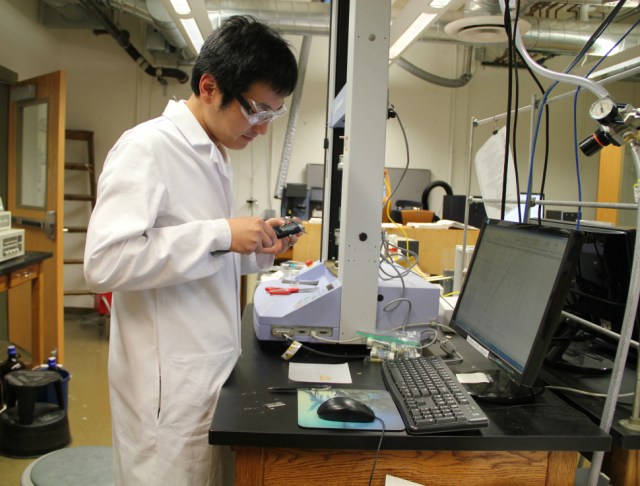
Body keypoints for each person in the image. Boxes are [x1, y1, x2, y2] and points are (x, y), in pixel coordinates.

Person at [84, 15, 299, 485]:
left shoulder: (213, 151)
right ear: (209, 86)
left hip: (208, 369)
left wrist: (258, 244)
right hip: (168, 387)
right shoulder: (147, 147)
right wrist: (221, 233)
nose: (262, 128)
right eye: (256, 110)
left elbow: (197, 255)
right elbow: (104, 263)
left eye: (272, 115)